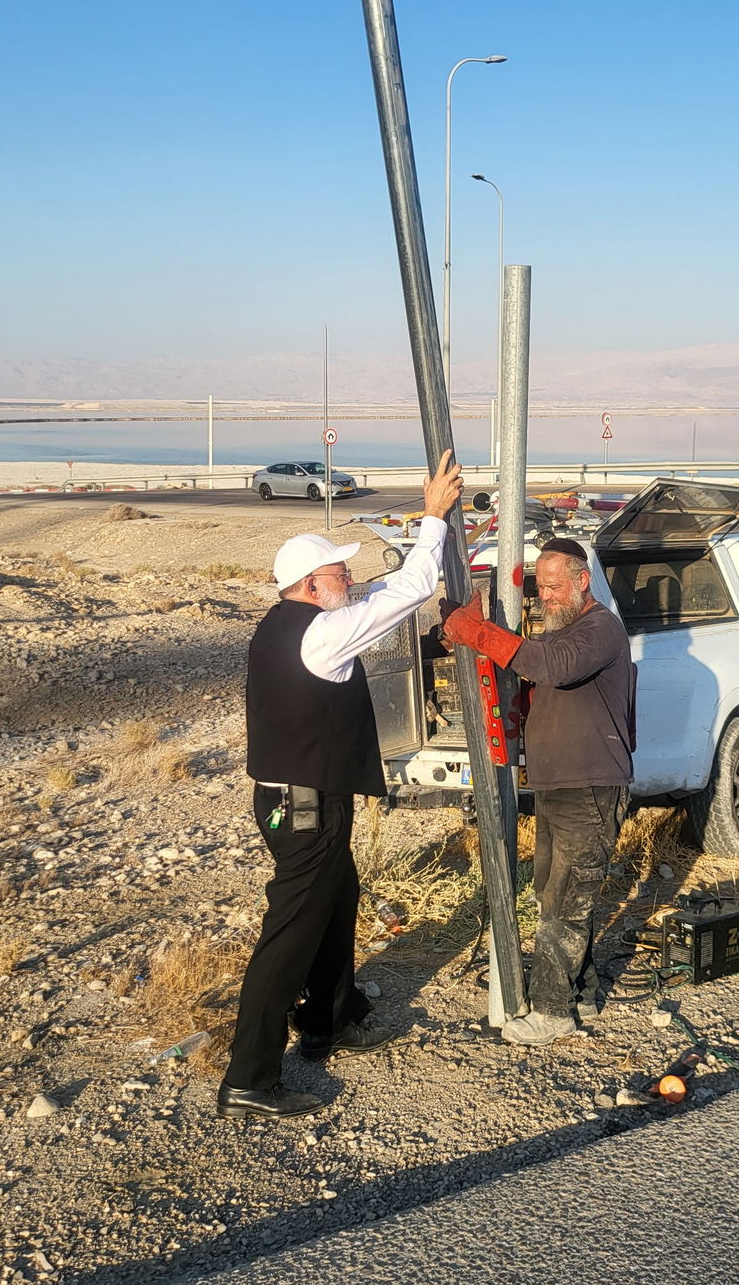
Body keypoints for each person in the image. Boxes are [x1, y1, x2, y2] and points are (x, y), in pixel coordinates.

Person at [216, 449, 464, 1121]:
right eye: (337, 569)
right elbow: (406, 592)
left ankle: (331, 1018)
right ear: (307, 582)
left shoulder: (292, 625)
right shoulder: (322, 635)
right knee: (287, 938)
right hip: (305, 809)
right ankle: (249, 1078)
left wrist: (415, 551)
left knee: (338, 899)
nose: (348, 575)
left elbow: (383, 597)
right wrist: (433, 520)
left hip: (296, 802)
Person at [442, 537, 635, 1047]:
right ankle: (583, 991)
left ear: (581, 580)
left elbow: (553, 667)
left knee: (567, 899)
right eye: (540, 587)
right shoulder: (559, 632)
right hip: (559, 786)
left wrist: (479, 633)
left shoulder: (599, 629)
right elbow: (538, 672)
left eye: (554, 586)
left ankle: (553, 1012)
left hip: (590, 786)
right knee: (555, 893)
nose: (545, 596)